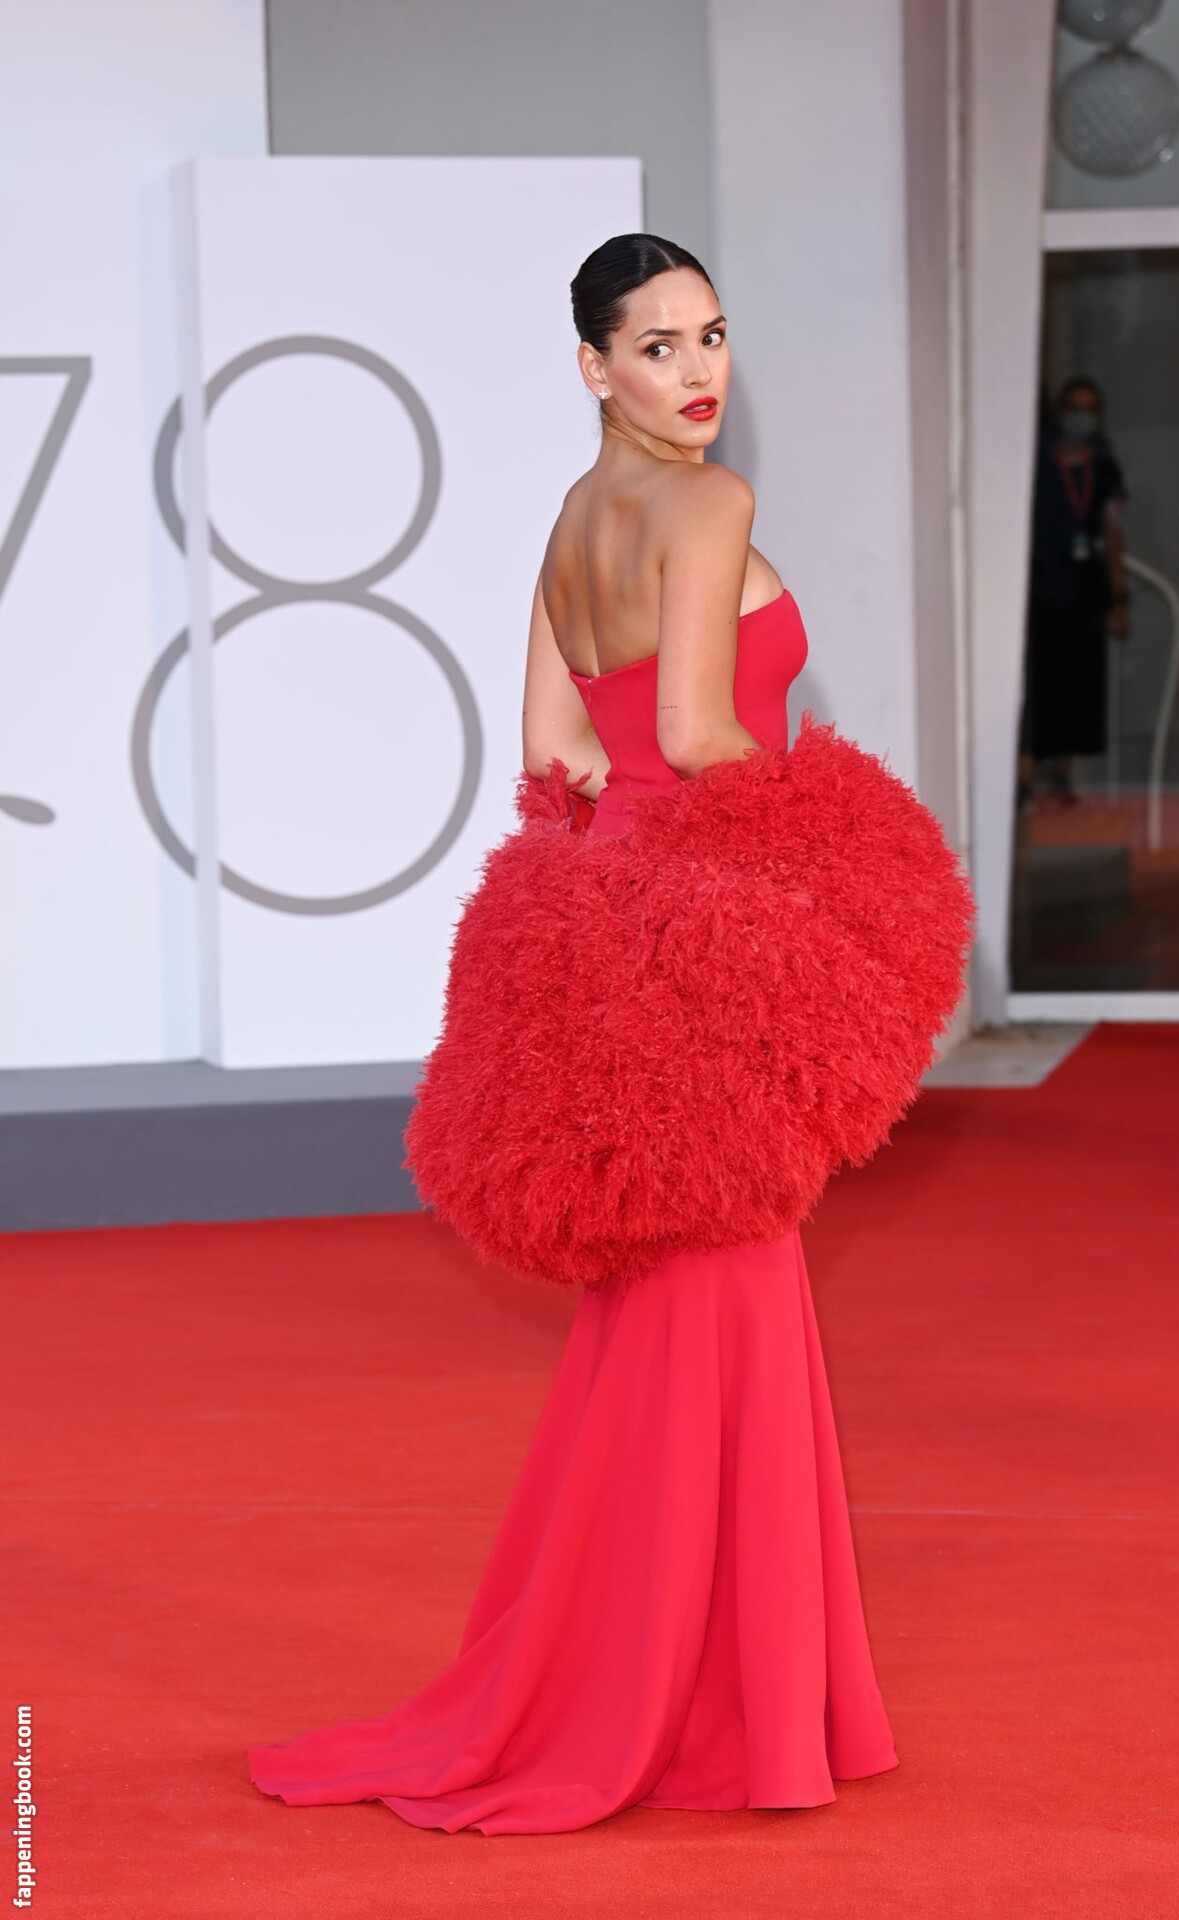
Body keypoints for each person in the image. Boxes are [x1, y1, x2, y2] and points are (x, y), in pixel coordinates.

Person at [247, 234, 972, 1835]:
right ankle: (709, 1708)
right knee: (732, 1293)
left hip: (627, 925)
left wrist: (610, 920)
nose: (698, 371)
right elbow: (705, 731)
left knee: (666, 1312)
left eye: (711, 336)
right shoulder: (710, 508)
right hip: (711, 931)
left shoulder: (573, 524)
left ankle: (659, 1684)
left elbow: (555, 755)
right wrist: (838, 849)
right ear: (593, 365)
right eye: (657, 346)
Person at [1019, 376, 1130, 809]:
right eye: (1074, 407)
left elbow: (1112, 532)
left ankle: (1060, 776)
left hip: (1083, 589)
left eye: (1090, 409)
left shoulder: (1104, 466)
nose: (1081, 417)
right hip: (1040, 587)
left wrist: (1118, 598)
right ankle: (1024, 774)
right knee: (1037, 683)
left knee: (1077, 684)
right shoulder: (1036, 460)